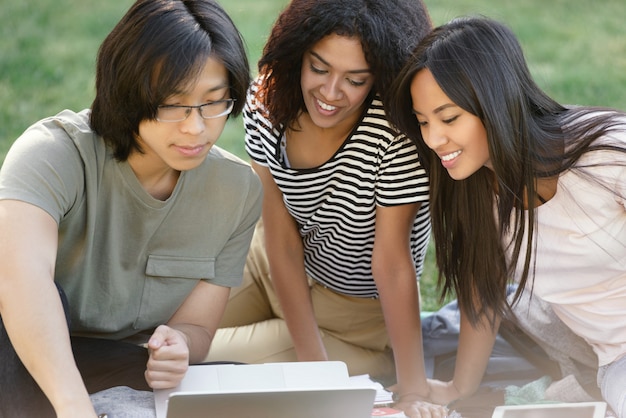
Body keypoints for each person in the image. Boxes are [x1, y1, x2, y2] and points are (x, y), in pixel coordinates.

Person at [0, 0, 262, 416]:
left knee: (244, 391)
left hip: (113, 363)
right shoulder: (50, 155)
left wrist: (177, 346)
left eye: (214, 102)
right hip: (18, 351)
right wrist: (73, 407)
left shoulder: (237, 190)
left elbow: (195, 328)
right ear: (128, 91)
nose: (196, 127)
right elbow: (20, 286)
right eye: (174, 104)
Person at [205, 1, 447, 417]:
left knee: (191, 362)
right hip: (270, 264)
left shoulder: (395, 134)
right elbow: (279, 238)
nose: (331, 93)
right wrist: (313, 368)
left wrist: (410, 389)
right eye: (319, 68)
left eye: (355, 79)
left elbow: (392, 262)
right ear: (297, 53)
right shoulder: (267, 99)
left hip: (350, 316)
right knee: (163, 329)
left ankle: (369, 360)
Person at [387, 15, 626, 417]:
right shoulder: (476, 194)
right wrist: (458, 387)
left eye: (449, 119)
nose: (433, 138)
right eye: (423, 121)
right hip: (613, 359)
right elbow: (483, 289)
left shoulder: (605, 156)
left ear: (495, 102)